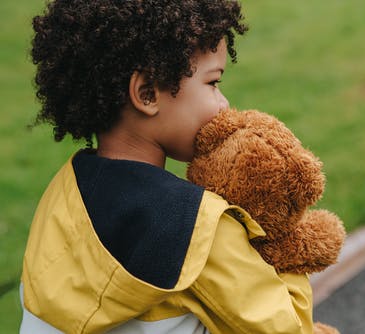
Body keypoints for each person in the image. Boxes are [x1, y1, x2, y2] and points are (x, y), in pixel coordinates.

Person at [20, 0, 315, 333]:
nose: (224, 103)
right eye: (213, 83)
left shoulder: (62, 199)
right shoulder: (199, 227)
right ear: (147, 94)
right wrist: (286, 243)